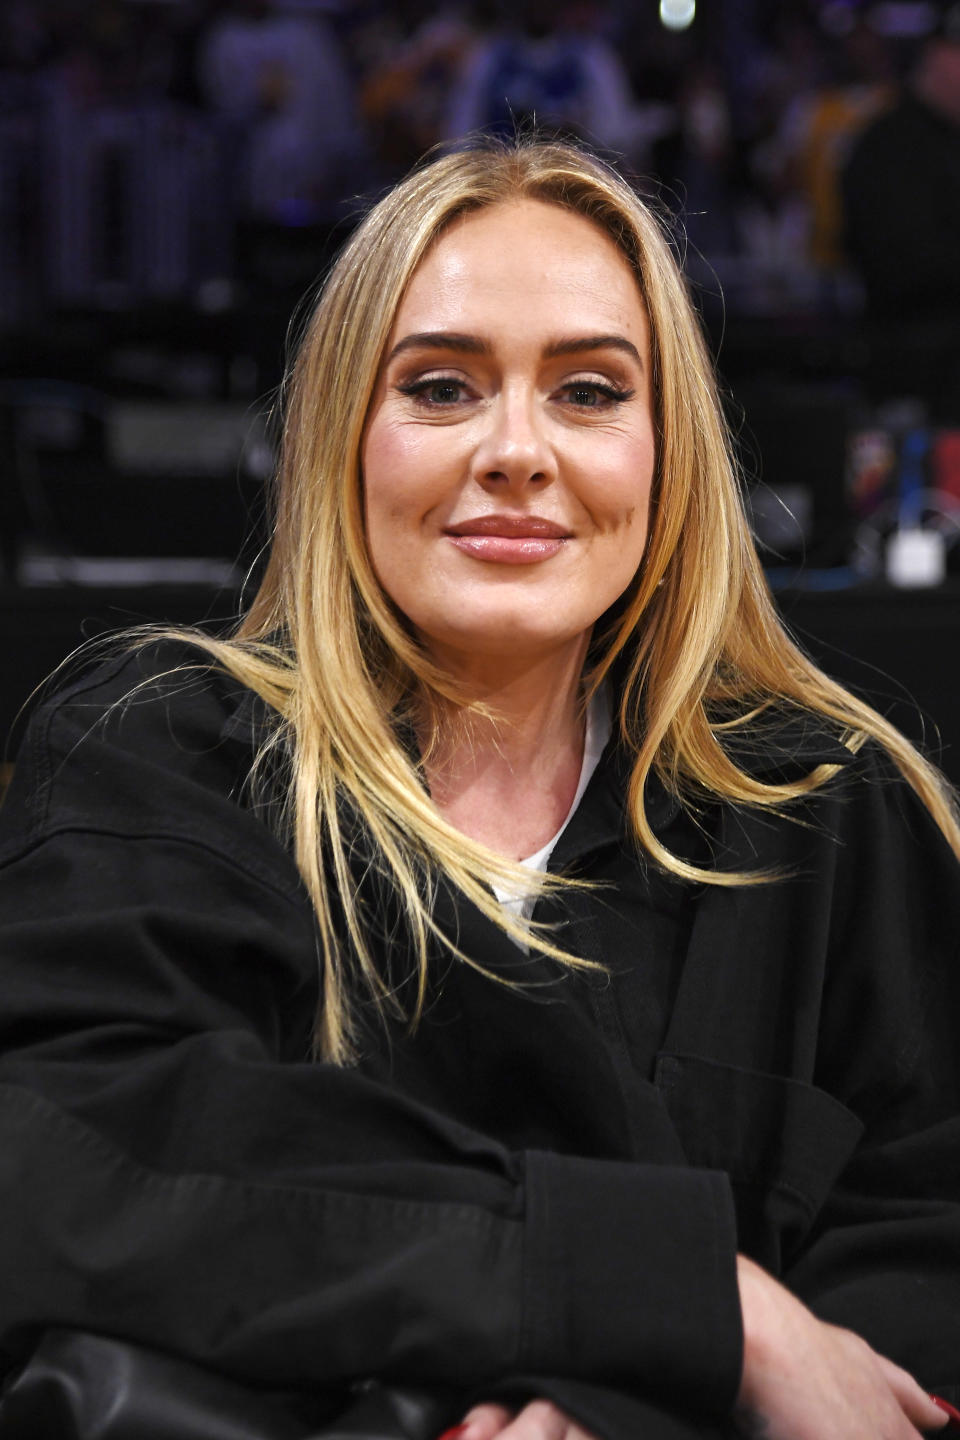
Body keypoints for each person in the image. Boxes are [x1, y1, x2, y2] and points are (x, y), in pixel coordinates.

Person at [0, 138, 959, 1440]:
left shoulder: (834, 813)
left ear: (670, 454)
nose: (517, 450)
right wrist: (699, 1304)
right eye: (443, 387)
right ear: (345, 436)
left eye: (588, 392)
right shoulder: (163, 755)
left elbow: (918, 1263)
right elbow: (75, 1161)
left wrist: (617, 1404)